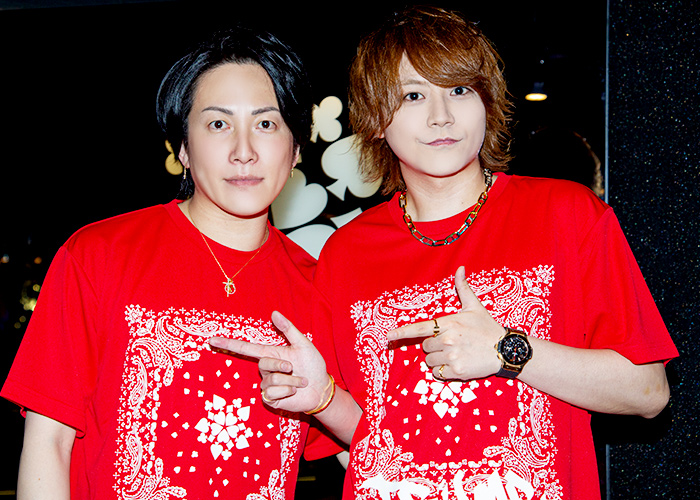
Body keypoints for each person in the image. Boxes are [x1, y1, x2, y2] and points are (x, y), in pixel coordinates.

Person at [210, 5, 678, 500]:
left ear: (487, 103)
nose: (441, 116)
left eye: (459, 90)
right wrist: (323, 400)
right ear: (376, 120)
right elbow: (371, 443)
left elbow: (647, 392)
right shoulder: (347, 253)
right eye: (413, 95)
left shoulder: (565, 213)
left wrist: (508, 351)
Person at [2, 27, 330, 500]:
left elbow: (367, 450)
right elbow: (48, 441)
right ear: (183, 148)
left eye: (266, 123)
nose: (244, 152)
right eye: (217, 125)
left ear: (296, 147)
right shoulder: (99, 255)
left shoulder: (318, 287)